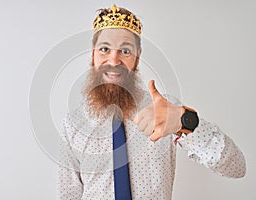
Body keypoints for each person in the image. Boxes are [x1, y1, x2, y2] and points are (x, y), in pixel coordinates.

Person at [57, 5, 246, 199]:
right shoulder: (73, 124)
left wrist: (186, 121)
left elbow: (237, 168)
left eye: (125, 50)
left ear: (138, 55)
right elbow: (68, 195)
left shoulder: (165, 111)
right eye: (105, 49)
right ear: (93, 53)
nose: (113, 60)